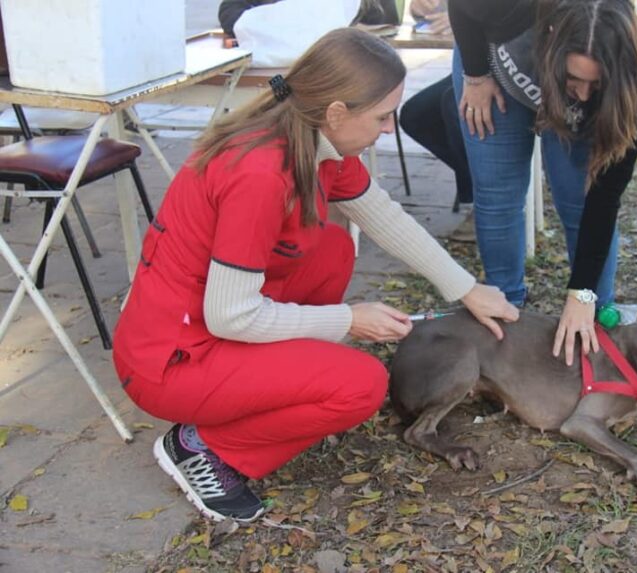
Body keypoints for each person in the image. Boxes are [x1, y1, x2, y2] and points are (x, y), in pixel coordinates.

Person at [112, 28, 518, 523]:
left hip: (202, 329)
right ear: (337, 113)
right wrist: (347, 319)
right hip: (170, 361)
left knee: (329, 248)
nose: (390, 128)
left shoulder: (306, 136)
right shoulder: (260, 173)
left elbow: (382, 214)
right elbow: (230, 316)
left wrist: (467, 288)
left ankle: (262, 385)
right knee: (360, 386)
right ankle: (201, 447)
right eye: (383, 116)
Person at [449, 0, 637, 365]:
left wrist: (582, 293)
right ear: (553, 37)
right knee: (498, 196)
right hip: (497, 68)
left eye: (596, 83)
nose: (583, 94)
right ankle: (505, 313)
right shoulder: (511, 8)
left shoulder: (632, 75)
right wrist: (476, 74)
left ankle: (597, 316)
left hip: (580, 83)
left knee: (579, 200)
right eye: (574, 79)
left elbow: (604, 198)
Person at [398, 0, 474, 223]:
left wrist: (464, 18)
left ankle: (480, 200)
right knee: (414, 116)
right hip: (468, 63)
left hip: (509, 63)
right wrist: (420, 9)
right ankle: (489, 185)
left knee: (453, 104)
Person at [218, 0, 401, 38]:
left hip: (341, 75)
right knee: (278, 95)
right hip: (281, 76)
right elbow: (229, 13)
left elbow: (385, 21)